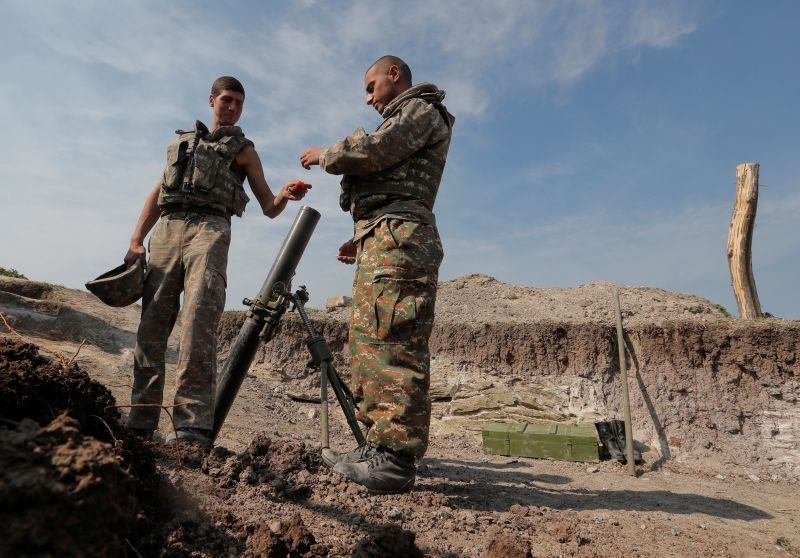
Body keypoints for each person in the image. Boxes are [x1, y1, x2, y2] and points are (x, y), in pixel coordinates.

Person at [125, 76, 310, 447]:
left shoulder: (244, 150)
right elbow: (156, 193)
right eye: (227, 100)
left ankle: (191, 426)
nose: (232, 108)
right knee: (151, 326)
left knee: (198, 322)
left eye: (239, 103)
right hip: (168, 228)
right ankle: (142, 420)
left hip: (210, 231)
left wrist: (286, 195)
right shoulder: (182, 143)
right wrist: (135, 240)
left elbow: (268, 207)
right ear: (212, 101)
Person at [300, 55, 454, 492]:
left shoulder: (421, 111)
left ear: (395, 76)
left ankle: (394, 460)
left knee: (392, 342)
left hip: (401, 239)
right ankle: (378, 447)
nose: (368, 98)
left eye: (371, 87)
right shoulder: (405, 117)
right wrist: (363, 235)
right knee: (367, 343)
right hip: (385, 237)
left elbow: (372, 152)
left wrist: (325, 154)